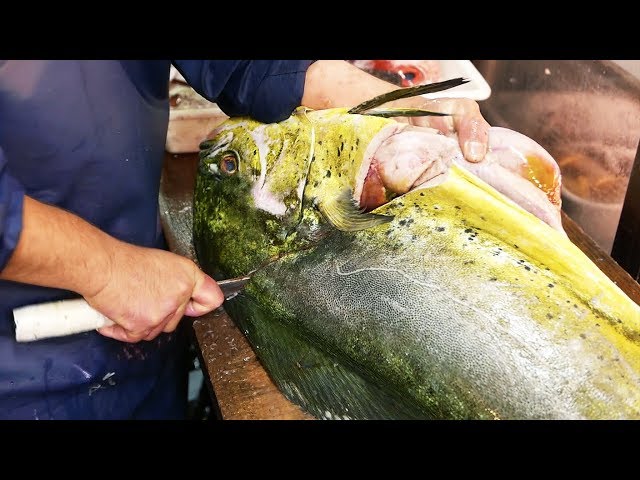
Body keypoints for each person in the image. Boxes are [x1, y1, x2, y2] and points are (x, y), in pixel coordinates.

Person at [0, 60, 490, 419]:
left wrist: (398, 108)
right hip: (20, 377)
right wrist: (104, 268)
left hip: (142, 323)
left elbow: (250, 65)